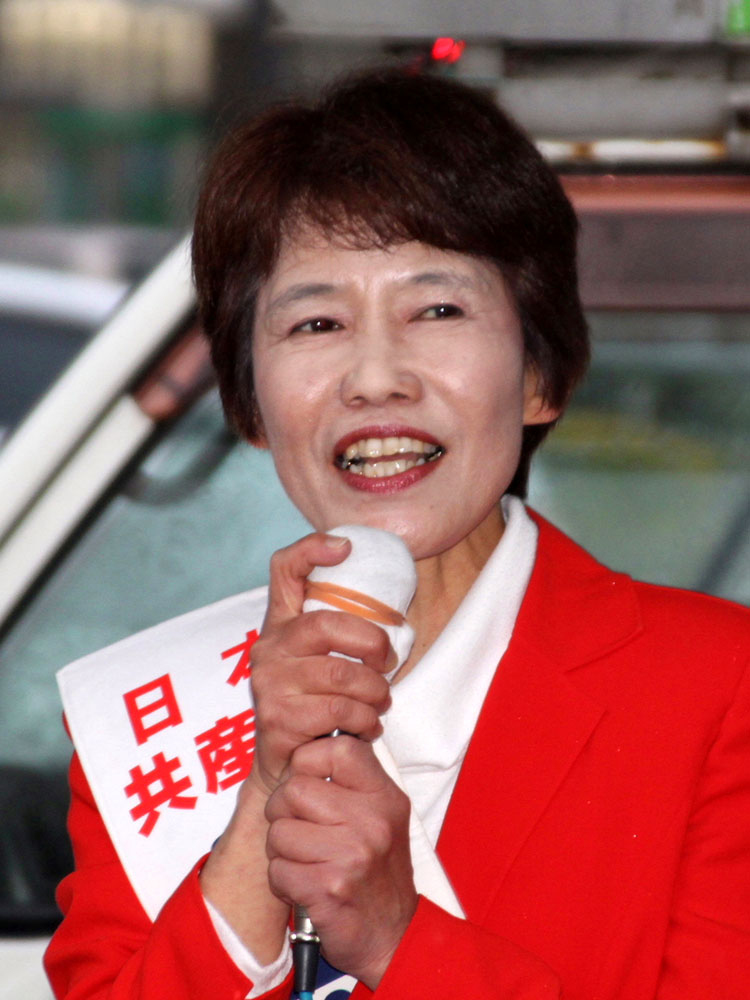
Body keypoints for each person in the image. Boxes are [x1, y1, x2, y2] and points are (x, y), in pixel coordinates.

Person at [45, 67, 750, 1000]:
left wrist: (399, 939)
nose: (376, 377)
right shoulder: (151, 721)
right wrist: (261, 801)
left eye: (438, 310)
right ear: (249, 406)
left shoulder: (717, 690)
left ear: (541, 376)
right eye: (317, 322)